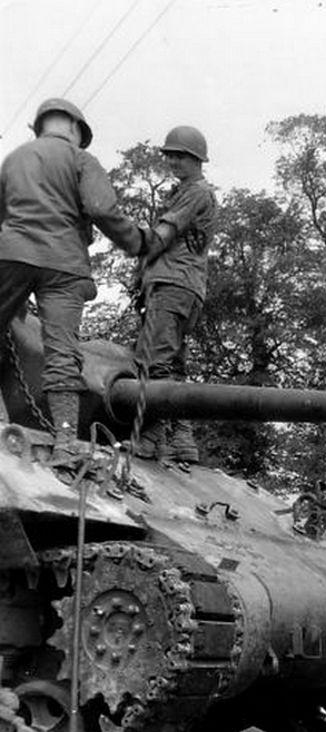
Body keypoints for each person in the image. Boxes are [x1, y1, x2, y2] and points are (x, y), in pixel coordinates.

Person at [0, 98, 147, 463]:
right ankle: (65, 439)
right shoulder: (82, 160)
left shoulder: (14, 159)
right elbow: (101, 209)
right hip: (65, 263)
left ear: (41, 126)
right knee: (63, 353)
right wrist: (136, 242)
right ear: (74, 127)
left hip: (13, 254)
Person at [132, 126, 218, 463]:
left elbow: (160, 238)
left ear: (197, 159)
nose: (172, 161)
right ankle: (182, 440)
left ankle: (152, 436)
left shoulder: (195, 193)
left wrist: (132, 242)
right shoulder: (191, 192)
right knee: (173, 366)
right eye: (169, 155)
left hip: (172, 286)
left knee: (153, 361)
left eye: (179, 156)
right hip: (187, 288)